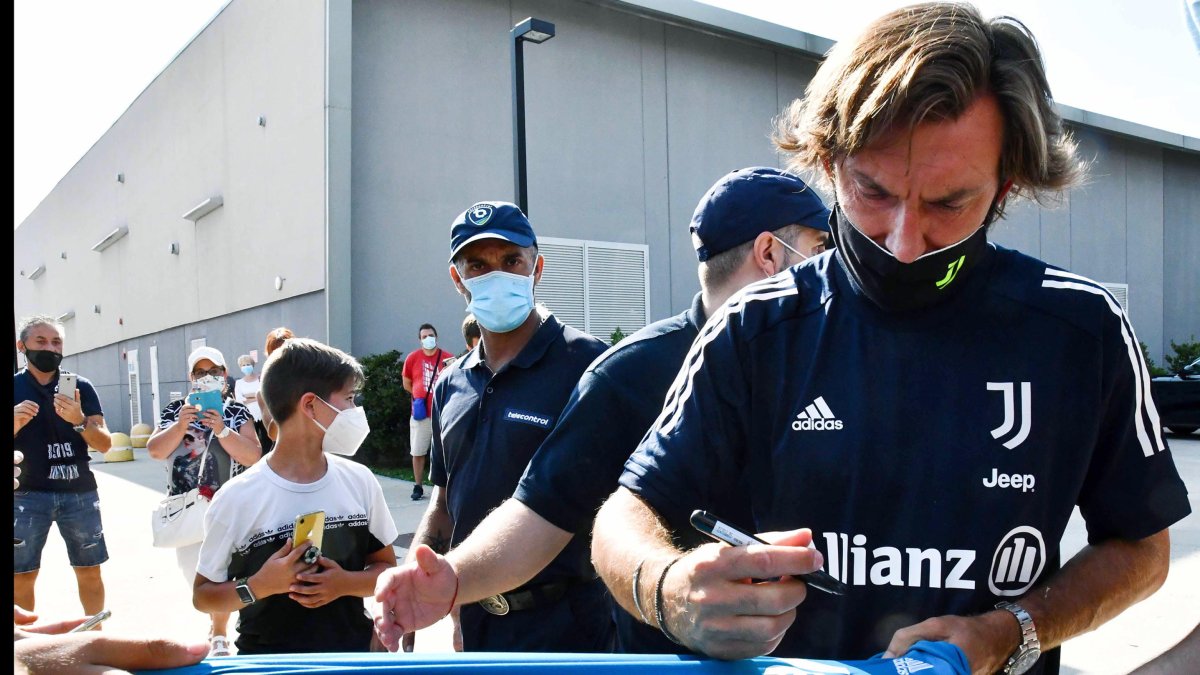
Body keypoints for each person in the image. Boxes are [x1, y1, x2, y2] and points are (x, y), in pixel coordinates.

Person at [589, 4, 1191, 674]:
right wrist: (669, 589)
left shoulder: (1082, 330)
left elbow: (1142, 547)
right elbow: (623, 516)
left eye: (946, 203)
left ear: (1006, 186)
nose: (904, 243)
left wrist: (1012, 629)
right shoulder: (755, 327)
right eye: (872, 192)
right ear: (827, 158)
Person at [373, 168, 832, 654]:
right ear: (769, 253)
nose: (833, 267)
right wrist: (454, 581)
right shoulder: (630, 374)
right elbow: (545, 511)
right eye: (820, 245)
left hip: (838, 656)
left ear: (536, 267)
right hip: (666, 660)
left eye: (511, 261)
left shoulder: (839, 361)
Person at [388, 201, 609, 653]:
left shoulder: (588, 365)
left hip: (573, 625)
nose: (496, 275)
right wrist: (414, 578)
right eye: (477, 265)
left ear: (537, 268)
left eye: (511, 261)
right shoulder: (450, 382)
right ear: (458, 279)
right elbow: (445, 499)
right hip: (475, 623)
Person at [192, 337, 398, 654]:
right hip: (268, 664)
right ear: (310, 404)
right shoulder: (238, 498)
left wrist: (344, 583)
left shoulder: (359, 481)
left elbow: (385, 568)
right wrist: (258, 586)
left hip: (352, 657)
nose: (355, 410)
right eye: (348, 398)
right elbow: (204, 595)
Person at [146, 346, 262, 657]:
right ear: (191, 378)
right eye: (200, 372)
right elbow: (156, 450)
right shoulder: (175, 411)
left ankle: (220, 632)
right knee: (195, 572)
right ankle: (215, 621)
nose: (207, 377)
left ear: (225, 376)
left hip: (229, 505)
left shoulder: (236, 412)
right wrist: (181, 426)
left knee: (223, 570)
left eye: (214, 371)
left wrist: (222, 429)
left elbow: (252, 455)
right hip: (186, 507)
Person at [14, 315, 114, 618]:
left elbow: (105, 444)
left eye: (56, 342)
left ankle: (95, 637)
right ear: (22, 346)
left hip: (79, 494)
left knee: (89, 571)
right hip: (26, 496)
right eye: (41, 341)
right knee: (22, 575)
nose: (50, 348)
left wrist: (80, 421)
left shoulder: (80, 387)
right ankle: (25, 645)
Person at [401, 324, 453, 501]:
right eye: (424, 336)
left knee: (446, 452)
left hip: (443, 413)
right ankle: (418, 486)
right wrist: (418, 396)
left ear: (436, 337)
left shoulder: (448, 359)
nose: (428, 339)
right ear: (419, 339)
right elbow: (406, 382)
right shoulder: (412, 358)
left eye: (430, 335)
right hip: (421, 414)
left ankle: (446, 487)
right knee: (418, 451)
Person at [258, 327, 295, 449]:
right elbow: (273, 434)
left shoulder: (312, 382)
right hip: (285, 455)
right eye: (275, 355)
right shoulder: (263, 392)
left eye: (286, 354)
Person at [234, 354, 270, 451]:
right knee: (253, 441)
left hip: (263, 414)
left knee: (267, 440)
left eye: (248, 364)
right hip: (249, 416)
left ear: (252, 365)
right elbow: (240, 400)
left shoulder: (260, 379)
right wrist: (256, 396)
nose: (246, 367)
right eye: (243, 365)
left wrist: (249, 397)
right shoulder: (239, 383)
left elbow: (264, 394)